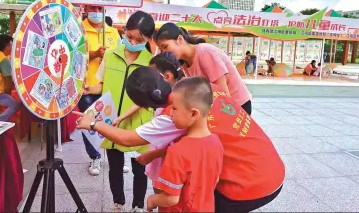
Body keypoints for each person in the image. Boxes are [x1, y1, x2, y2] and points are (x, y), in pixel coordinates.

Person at [75, 52, 285, 213]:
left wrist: (92, 123)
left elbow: (128, 139)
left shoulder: (172, 116)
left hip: (247, 187)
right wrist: (155, 154)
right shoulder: (203, 88)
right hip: (272, 168)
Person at [84, 10, 155, 212]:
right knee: (114, 167)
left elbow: (147, 98)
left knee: (139, 169)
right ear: (123, 31)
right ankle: (118, 203)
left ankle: (138, 205)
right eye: (129, 36)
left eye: (138, 39)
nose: (131, 42)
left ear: (148, 39)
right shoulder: (110, 54)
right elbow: (102, 85)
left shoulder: (151, 63)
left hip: (139, 123)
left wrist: (125, 116)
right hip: (111, 119)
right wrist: (90, 88)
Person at [147, 77, 223, 212]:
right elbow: (215, 180)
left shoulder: (177, 151)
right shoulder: (216, 141)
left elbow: (171, 198)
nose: (170, 113)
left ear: (193, 113)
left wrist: (152, 199)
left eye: (174, 108)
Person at [154, 23, 253, 115]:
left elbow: (223, 92)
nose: (164, 52)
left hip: (237, 106)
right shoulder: (184, 63)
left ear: (179, 39)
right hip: (221, 106)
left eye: (165, 46)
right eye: (161, 49)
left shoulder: (205, 52)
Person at [79, 4, 123, 176]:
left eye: (99, 9)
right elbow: (74, 56)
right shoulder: (80, 30)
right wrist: (95, 54)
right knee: (89, 122)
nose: (96, 12)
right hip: (87, 87)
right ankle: (95, 156)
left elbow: (122, 56)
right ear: (85, 8)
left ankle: (116, 155)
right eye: (93, 8)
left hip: (109, 85)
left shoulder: (112, 32)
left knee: (113, 120)